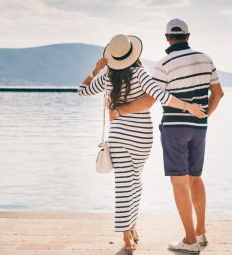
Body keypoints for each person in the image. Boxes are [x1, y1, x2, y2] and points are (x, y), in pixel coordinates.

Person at [78, 34, 206, 254]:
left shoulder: (107, 77)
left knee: (123, 185)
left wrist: (95, 70)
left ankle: (128, 235)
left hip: (118, 136)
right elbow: (161, 95)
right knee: (135, 183)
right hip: (141, 138)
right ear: (133, 54)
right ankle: (130, 230)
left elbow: (82, 90)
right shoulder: (140, 74)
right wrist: (188, 107)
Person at [114, 19, 224, 254]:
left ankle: (190, 240)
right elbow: (218, 93)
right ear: (188, 35)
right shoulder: (206, 59)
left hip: (175, 129)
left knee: (179, 181)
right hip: (199, 127)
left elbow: (149, 100)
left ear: (167, 38)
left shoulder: (164, 63)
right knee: (195, 177)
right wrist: (204, 116)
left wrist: (121, 109)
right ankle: (201, 231)